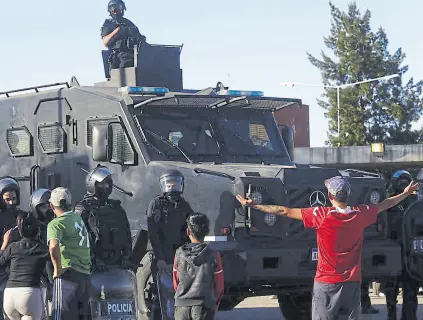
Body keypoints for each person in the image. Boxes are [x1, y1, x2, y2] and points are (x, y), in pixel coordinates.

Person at [236, 175, 420, 320]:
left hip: (326, 283)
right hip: (352, 284)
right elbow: (385, 204)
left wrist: (256, 205)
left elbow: (284, 210)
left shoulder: (321, 215)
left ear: (330, 196)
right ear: (347, 195)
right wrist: (405, 193)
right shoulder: (360, 214)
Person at [146, 169, 193, 318]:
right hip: (162, 257)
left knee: (178, 295)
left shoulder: (184, 205)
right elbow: (153, 233)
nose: (172, 187)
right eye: (169, 184)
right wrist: (160, 258)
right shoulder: (157, 204)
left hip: (179, 258)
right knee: (159, 295)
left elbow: (190, 231)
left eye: (175, 184)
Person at [74, 166, 133, 271]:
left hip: (117, 264)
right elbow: (79, 238)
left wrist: (126, 257)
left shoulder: (116, 208)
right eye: (101, 184)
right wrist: (93, 259)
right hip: (92, 266)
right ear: (92, 184)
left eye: (107, 183)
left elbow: (127, 235)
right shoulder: (83, 208)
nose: (105, 186)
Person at [47, 187, 92, 320]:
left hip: (68, 276)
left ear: (51, 205)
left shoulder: (56, 224)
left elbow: (53, 246)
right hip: (85, 277)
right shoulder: (78, 219)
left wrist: (57, 269)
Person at [381, 170, 419, 320]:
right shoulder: (389, 202)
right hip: (402, 251)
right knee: (399, 291)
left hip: (406, 251)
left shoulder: (416, 202)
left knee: (404, 290)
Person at [173, 212, 224, 320]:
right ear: (207, 232)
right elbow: (219, 286)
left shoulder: (179, 253)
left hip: (181, 307)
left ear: (187, 231)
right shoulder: (214, 254)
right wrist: (213, 304)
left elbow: (176, 283)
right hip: (204, 306)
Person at [0, 213, 50, 320]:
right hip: (30, 294)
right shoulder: (44, 249)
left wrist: (4, 243)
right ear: (38, 230)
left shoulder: (12, 247)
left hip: (10, 294)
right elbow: (50, 271)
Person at [0, 177, 27, 320]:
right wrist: (5, 243)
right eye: (7, 199)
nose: (11, 202)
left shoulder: (22, 216)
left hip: (19, 269)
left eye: (14, 199)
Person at [101, 0, 147, 70]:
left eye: (119, 8)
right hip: (119, 57)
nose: (117, 11)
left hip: (134, 55)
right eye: (114, 9)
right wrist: (117, 30)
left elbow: (139, 38)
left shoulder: (129, 23)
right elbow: (105, 42)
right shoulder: (109, 23)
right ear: (110, 10)